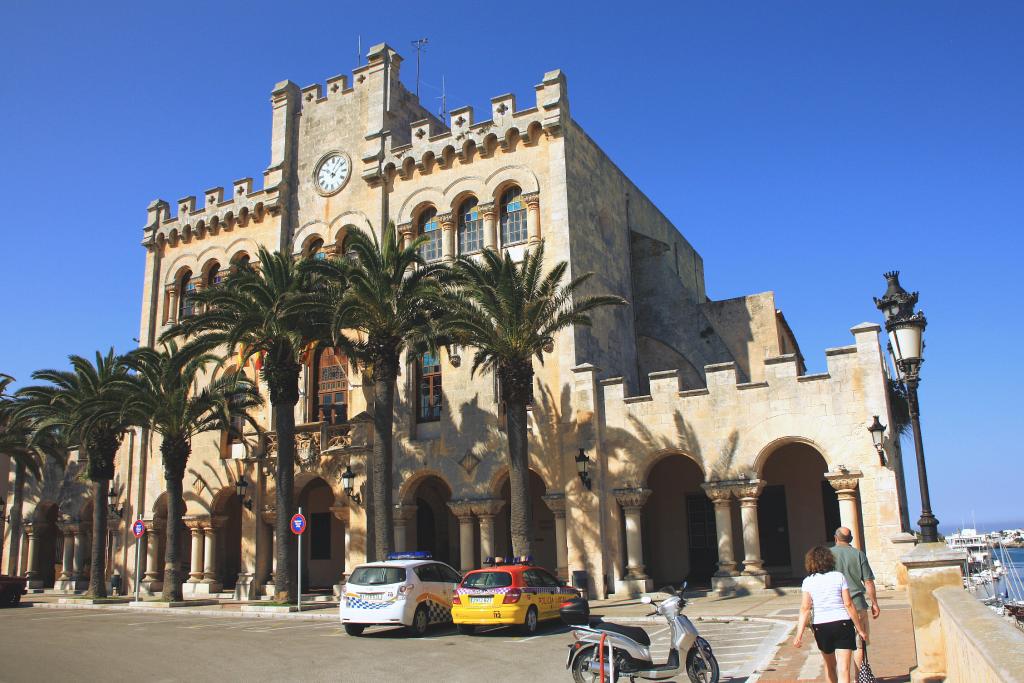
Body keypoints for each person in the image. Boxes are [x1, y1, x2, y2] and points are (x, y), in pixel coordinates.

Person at [793, 546, 868, 683]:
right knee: (844, 669)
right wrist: (860, 629)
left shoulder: (808, 581)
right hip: (842, 623)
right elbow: (848, 604)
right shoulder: (839, 576)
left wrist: (799, 634)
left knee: (830, 667)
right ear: (829, 560)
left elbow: (805, 608)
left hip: (821, 626)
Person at [831, 526, 879, 674]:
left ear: (835, 538)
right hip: (857, 604)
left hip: (836, 605)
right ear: (850, 539)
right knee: (860, 644)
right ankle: (859, 678)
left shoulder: (827, 555)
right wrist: (874, 603)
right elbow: (868, 581)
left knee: (840, 646)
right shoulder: (859, 554)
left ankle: (842, 678)